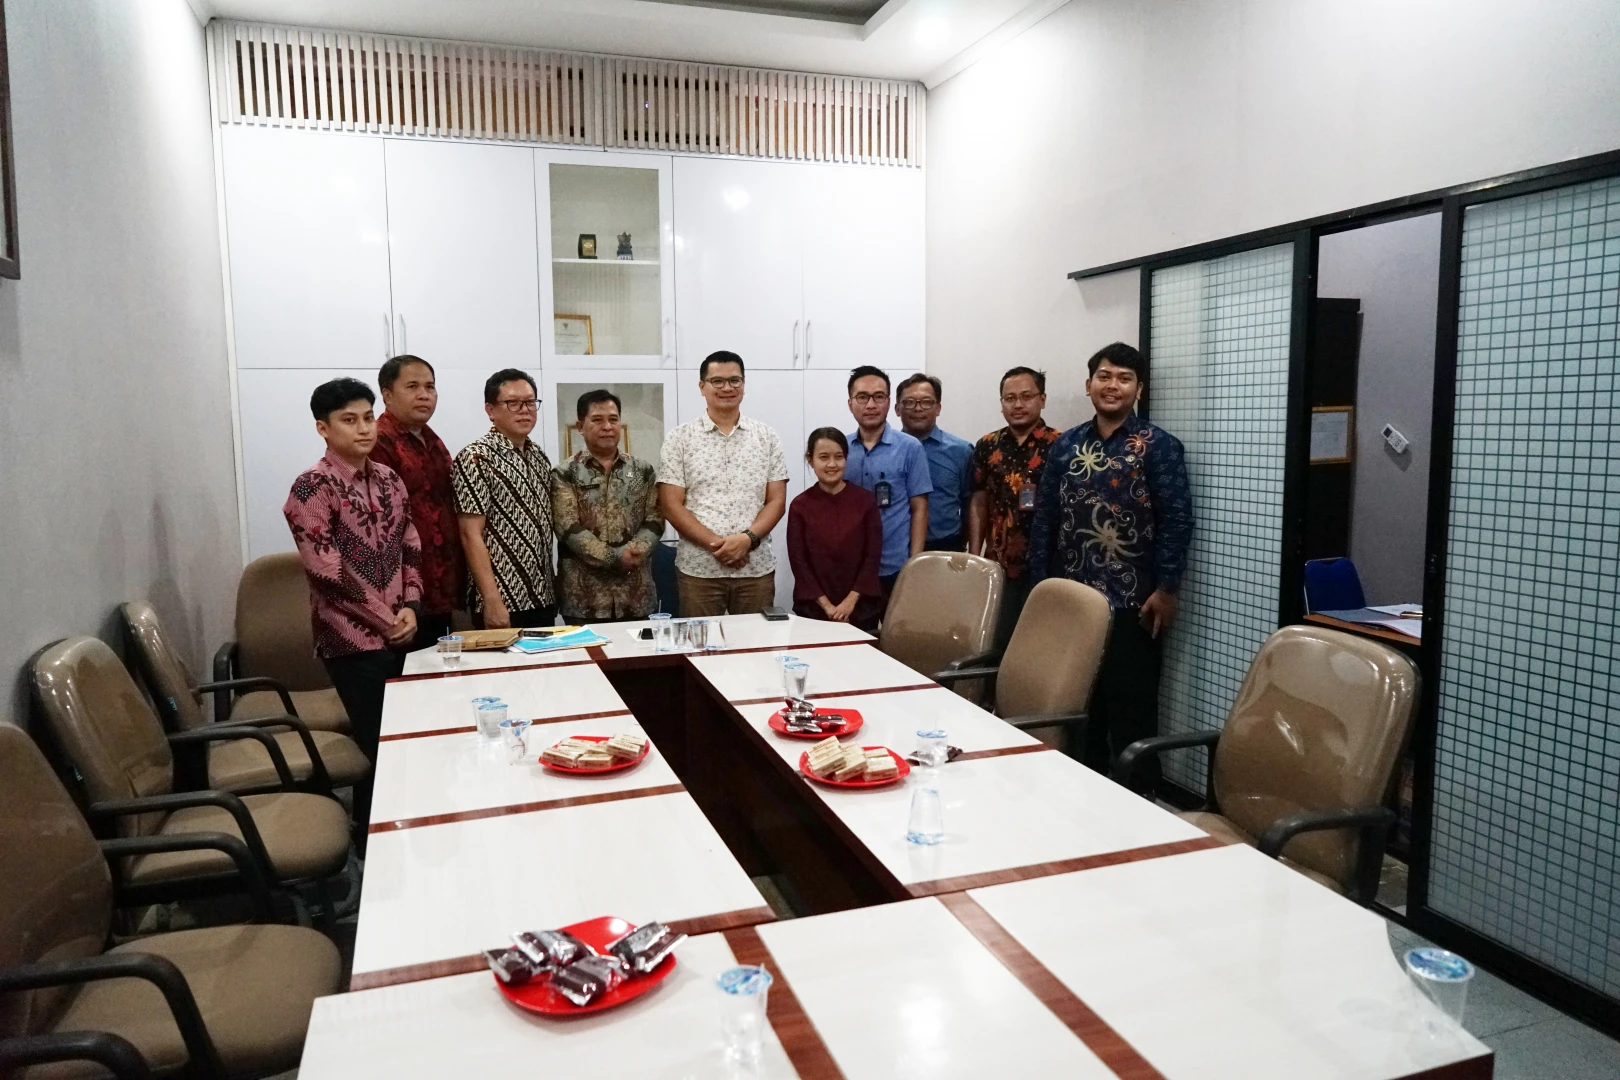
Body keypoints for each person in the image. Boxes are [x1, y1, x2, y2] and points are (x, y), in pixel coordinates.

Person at [1029, 342, 1193, 783]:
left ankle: (1140, 804)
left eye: (1124, 378)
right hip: (1073, 599)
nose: (1112, 385)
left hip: (1134, 602)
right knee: (1078, 707)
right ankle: (1083, 797)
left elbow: (1177, 519)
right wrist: (1042, 589)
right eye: (1104, 376)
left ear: (1140, 388)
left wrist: (1167, 588)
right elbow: (1045, 519)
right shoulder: (1066, 446)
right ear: (1089, 385)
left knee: (1132, 711)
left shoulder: (1158, 447)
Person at [283, 377, 421, 840]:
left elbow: (411, 543)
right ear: (323, 428)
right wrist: (386, 619)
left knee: (402, 740)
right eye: (349, 420)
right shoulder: (311, 488)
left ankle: (394, 828)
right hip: (350, 639)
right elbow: (326, 571)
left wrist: (412, 605)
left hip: (402, 629)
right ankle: (373, 840)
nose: (364, 429)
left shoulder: (389, 479)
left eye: (367, 418)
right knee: (377, 743)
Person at [658, 351, 788, 616]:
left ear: (743, 385)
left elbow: (776, 501)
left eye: (734, 381)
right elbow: (671, 505)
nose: (727, 388)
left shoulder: (767, 437)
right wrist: (719, 546)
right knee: (701, 642)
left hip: (754, 569)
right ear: (702, 386)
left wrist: (747, 540)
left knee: (757, 641)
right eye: (717, 381)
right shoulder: (679, 439)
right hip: (699, 571)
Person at [369, 354, 464, 651]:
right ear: (387, 394)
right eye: (412, 386)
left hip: (440, 584)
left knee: (442, 670)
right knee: (408, 674)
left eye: (430, 387)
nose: (424, 395)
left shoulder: (432, 440)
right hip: (400, 594)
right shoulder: (377, 441)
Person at [452, 369, 558, 629]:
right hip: (502, 599)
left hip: (542, 595)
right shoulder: (476, 457)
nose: (525, 410)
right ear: (490, 410)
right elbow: (470, 534)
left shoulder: (539, 457)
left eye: (530, 402)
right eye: (513, 403)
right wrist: (492, 600)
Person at [552, 390, 664, 624]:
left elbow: (655, 520)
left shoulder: (643, 470)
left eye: (613, 419)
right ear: (580, 426)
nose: (607, 427)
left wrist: (635, 552)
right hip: (584, 600)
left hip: (636, 595)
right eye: (597, 420)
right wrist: (615, 558)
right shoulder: (565, 473)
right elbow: (567, 527)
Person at [967, 366, 1061, 646]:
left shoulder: (1062, 444)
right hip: (997, 562)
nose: (1018, 404)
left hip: (1047, 564)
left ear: (1042, 399)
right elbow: (979, 500)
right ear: (1001, 403)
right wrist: (975, 555)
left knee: (1040, 641)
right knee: (995, 639)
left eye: (1026, 396)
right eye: (1010, 398)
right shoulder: (987, 445)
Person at [845, 365, 931, 600]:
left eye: (879, 397)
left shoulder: (910, 448)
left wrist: (914, 564)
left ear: (890, 403)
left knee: (898, 624)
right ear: (850, 404)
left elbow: (920, 508)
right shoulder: (841, 450)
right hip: (851, 565)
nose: (871, 405)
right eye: (862, 397)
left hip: (895, 565)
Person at [786, 428, 885, 633]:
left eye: (839, 457)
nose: (832, 464)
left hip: (861, 608)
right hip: (813, 611)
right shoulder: (800, 506)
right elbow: (799, 563)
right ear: (810, 460)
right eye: (824, 457)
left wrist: (850, 602)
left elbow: (872, 556)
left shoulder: (865, 501)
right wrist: (828, 607)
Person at [895, 373, 974, 552]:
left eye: (926, 402)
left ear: (938, 408)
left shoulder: (961, 451)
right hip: (897, 549)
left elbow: (970, 505)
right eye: (909, 402)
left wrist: (963, 545)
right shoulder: (887, 452)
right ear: (897, 409)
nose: (918, 408)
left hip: (946, 547)